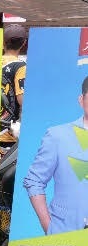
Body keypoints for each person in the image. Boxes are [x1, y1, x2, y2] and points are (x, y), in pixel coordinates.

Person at [21, 75, 88, 235]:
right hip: (68, 234)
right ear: (81, 100)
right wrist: (50, 229)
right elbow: (34, 181)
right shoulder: (58, 136)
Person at [0, 24, 27, 154]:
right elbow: (22, 100)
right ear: (23, 44)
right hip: (9, 132)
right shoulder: (20, 67)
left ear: (3, 42)